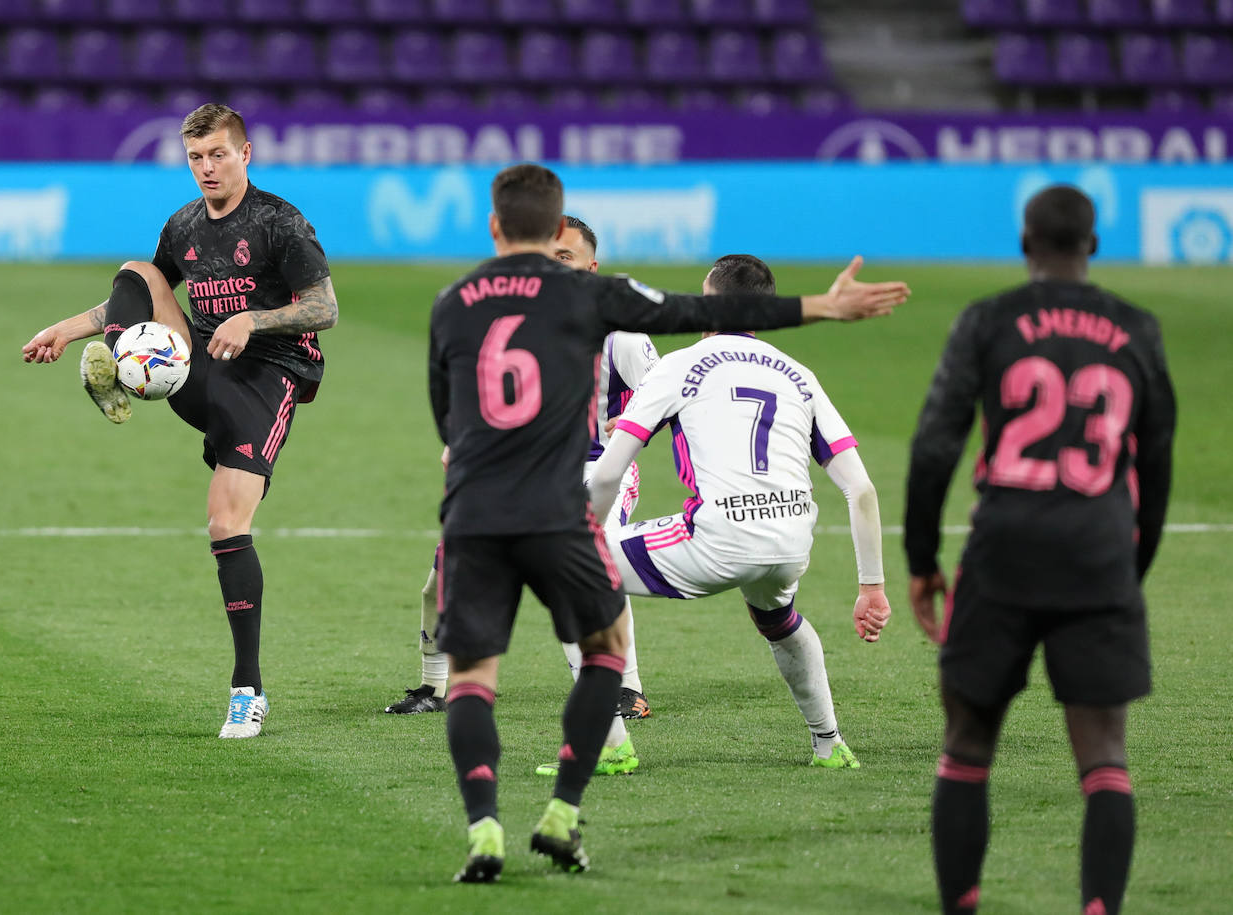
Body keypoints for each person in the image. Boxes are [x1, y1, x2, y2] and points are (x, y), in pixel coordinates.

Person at [430, 163, 909, 883]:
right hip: (728, 530)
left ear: (495, 227)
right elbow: (690, 313)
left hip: (489, 499)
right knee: (650, 640)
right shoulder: (604, 299)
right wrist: (820, 308)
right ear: (558, 227)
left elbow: (453, 418)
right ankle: (574, 804)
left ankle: (500, 818)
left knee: (482, 668)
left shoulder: (453, 301)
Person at [21, 103, 338, 740]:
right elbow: (139, 289)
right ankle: (125, 367)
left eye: (219, 154)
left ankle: (246, 689)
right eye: (196, 157)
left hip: (266, 376)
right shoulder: (184, 224)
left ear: (245, 154)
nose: (207, 168)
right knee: (137, 271)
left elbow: (324, 307)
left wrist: (254, 319)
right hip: (197, 361)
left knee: (226, 523)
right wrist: (63, 329)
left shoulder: (280, 223)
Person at [904, 185, 1175, 915]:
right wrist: (1129, 569)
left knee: (966, 740)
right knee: (1105, 757)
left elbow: (935, 445)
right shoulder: (1138, 329)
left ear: (1024, 243)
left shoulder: (990, 319)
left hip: (1004, 548)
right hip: (1099, 555)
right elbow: (1158, 463)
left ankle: (961, 904)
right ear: (1094, 244)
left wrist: (922, 558)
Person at [585, 255, 891, 772]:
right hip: (791, 540)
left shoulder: (679, 364)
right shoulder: (799, 374)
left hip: (716, 537)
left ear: (707, 303)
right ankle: (828, 743)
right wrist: (872, 587)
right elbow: (860, 489)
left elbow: (611, 472)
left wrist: (582, 535)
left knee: (578, 574)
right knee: (778, 618)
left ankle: (609, 748)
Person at [387, 216, 658, 749]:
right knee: (444, 574)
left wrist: (631, 425)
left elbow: (665, 393)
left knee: (588, 560)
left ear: (591, 267)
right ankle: (434, 685)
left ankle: (626, 688)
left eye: (567, 258)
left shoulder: (620, 327)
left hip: (598, 469)